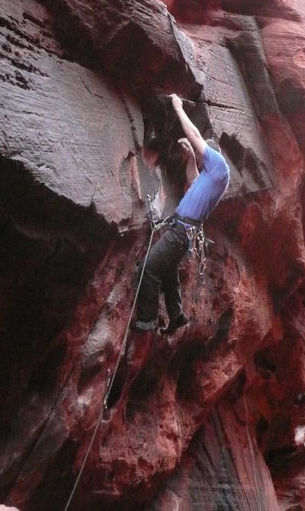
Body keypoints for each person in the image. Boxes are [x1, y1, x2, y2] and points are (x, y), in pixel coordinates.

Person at [110, 94, 230, 416]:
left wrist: (178, 109)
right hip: (183, 232)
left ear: (213, 154)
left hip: (180, 233)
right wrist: (191, 158)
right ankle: (176, 315)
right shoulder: (210, 178)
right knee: (165, 271)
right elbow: (192, 183)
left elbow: (193, 134)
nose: (201, 152)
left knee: (147, 269)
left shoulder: (220, 167)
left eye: (204, 152)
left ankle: (146, 325)